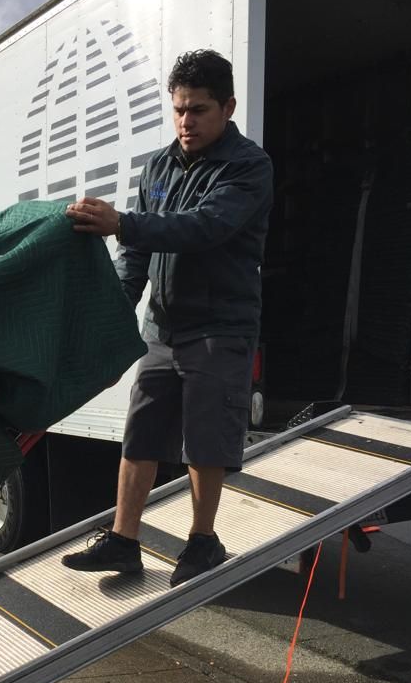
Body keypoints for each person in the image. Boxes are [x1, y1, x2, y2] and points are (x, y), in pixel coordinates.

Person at [61, 49, 273, 585]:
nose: (185, 121)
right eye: (178, 109)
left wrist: (124, 224)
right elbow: (136, 257)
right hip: (163, 326)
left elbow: (204, 228)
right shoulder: (157, 165)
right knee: (141, 433)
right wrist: (110, 316)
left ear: (227, 107)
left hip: (219, 327)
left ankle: (203, 542)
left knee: (205, 440)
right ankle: (124, 540)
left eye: (198, 110)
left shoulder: (249, 167)